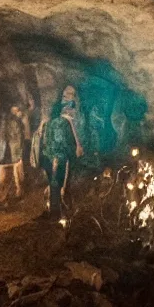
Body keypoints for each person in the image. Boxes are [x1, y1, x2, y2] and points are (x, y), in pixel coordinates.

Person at [43, 86, 84, 221]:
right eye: (65, 93)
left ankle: (61, 209)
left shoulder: (69, 110)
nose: (67, 95)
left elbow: (72, 126)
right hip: (58, 149)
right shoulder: (60, 112)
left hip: (64, 148)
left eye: (71, 93)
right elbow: (66, 125)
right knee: (57, 180)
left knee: (63, 180)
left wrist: (77, 145)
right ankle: (56, 211)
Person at [0, 102, 26, 202]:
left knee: (14, 173)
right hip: (7, 150)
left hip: (11, 150)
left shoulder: (10, 121)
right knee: (7, 174)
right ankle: (9, 194)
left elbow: (18, 137)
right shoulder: (4, 122)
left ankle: (16, 193)